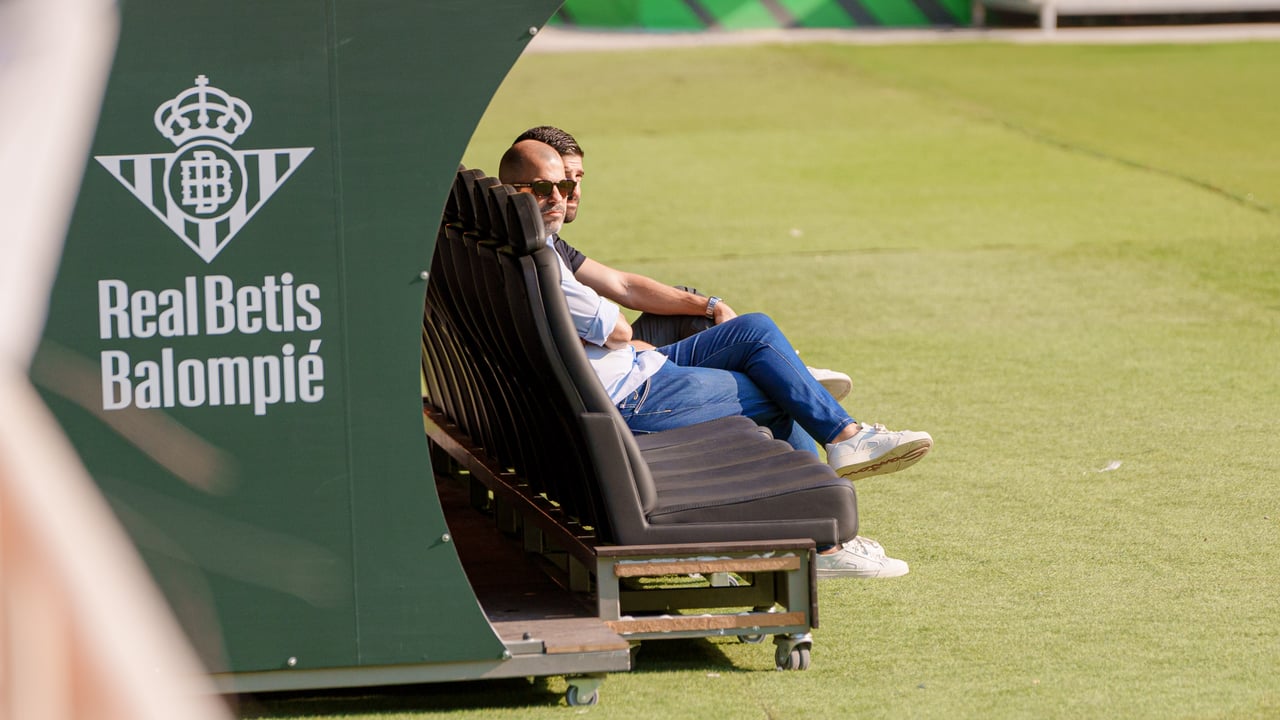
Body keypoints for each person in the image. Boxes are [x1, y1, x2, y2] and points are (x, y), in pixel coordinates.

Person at [498, 139, 933, 579]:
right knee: (778, 394)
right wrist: (621, 335)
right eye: (540, 188)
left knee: (753, 328)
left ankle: (841, 434)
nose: (560, 196)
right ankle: (826, 542)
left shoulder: (526, 245)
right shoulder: (536, 259)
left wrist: (707, 305)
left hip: (620, 376)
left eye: (565, 184)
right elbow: (618, 329)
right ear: (510, 190)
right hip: (627, 397)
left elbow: (620, 292)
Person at [513, 125, 854, 403]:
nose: (568, 193)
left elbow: (622, 285)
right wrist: (633, 346)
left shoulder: (534, 239)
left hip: (595, 364)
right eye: (552, 183)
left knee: (688, 304)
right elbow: (610, 332)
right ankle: (789, 378)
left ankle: (785, 370)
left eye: (574, 180)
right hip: (603, 380)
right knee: (765, 374)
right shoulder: (536, 251)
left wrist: (711, 305)